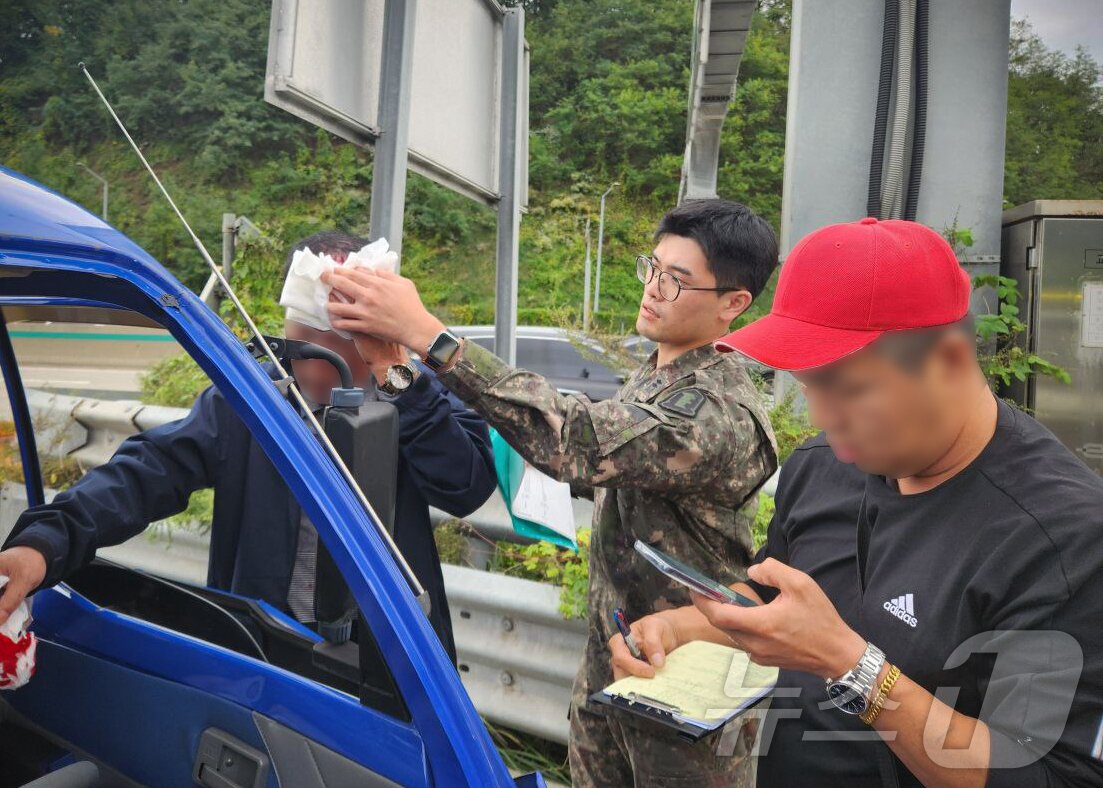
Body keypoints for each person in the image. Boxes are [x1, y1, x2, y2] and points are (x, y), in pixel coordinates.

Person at [609, 217, 1103, 786]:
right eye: (809, 386)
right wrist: (681, 628)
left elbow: (1047, 775)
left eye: (850, 389)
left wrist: (851, 666)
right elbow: (774, 598)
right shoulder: (822, 466)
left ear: (949, 362)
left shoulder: (1063, 539)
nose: (824, 419)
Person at [321, 199, 780, 786]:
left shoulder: (717, 412)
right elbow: (584, 463)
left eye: (677, 280)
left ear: (734, 303)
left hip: (686, 691)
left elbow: (578, 442)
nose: (654, 288)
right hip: (614, 666)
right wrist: (393, 368)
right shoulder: (660, 376)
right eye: (652, 267)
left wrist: (427, 335)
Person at [0, 231, 498, 662]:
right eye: (306, 345)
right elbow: (149, 470)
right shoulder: (253, 400)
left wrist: (398, 376)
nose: (320, 370)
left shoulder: (414, 394)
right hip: (270, 646)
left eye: (346, 345)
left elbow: (464, 487)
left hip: (391, 659)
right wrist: (45, 542)